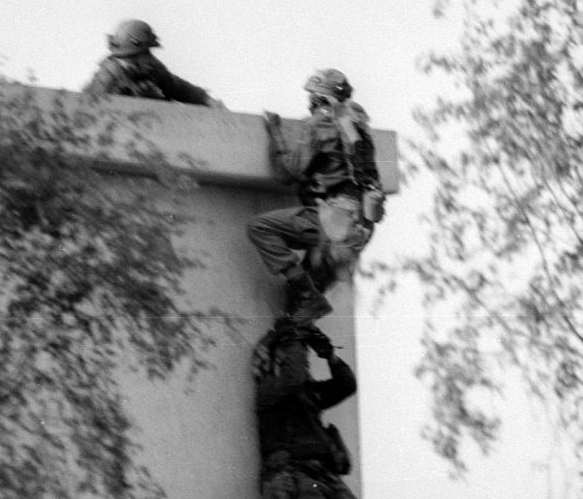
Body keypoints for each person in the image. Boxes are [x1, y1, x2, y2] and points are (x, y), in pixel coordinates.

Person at [246, 68, 384, 325]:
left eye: (312, 96)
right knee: (295, 310)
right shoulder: (361, 128)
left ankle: (308, 298)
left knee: (259, 227)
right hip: (358, 232)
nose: (309, 102)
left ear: (320, 98)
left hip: (331, 223)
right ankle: (295, 336)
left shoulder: (320, 123)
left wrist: (275, 135)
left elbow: (286, 172)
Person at [252, 321, 370, 499]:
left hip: (324, 474)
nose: (304, 365)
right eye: (294, 359)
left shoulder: (309, 394)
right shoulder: (269, 391)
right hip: (295, 473)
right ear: (276, 363)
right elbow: (293, 378)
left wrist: (329, 356)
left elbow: (346, 384)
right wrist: (292, 335)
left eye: (304, 361)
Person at [84, 18, 224, 107]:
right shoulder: (107, 78)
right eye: (147, 52)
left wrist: (206, 99)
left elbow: (177, 87)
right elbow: (93, 113)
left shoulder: (152, 69)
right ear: (137, 54)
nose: (150, 57)